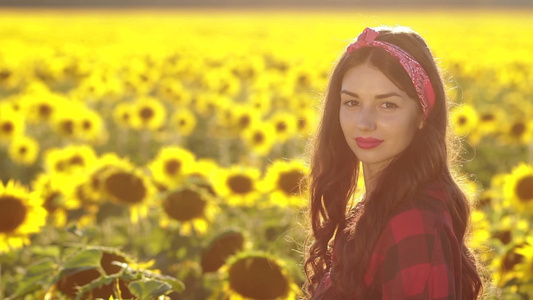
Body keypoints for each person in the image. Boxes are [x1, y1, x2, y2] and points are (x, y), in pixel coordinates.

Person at [302, 26, 485, 299]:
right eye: (351, 103)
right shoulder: (376, 206)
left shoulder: (413, 222)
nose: (364, 123)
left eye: (387, 105)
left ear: (423, 115)